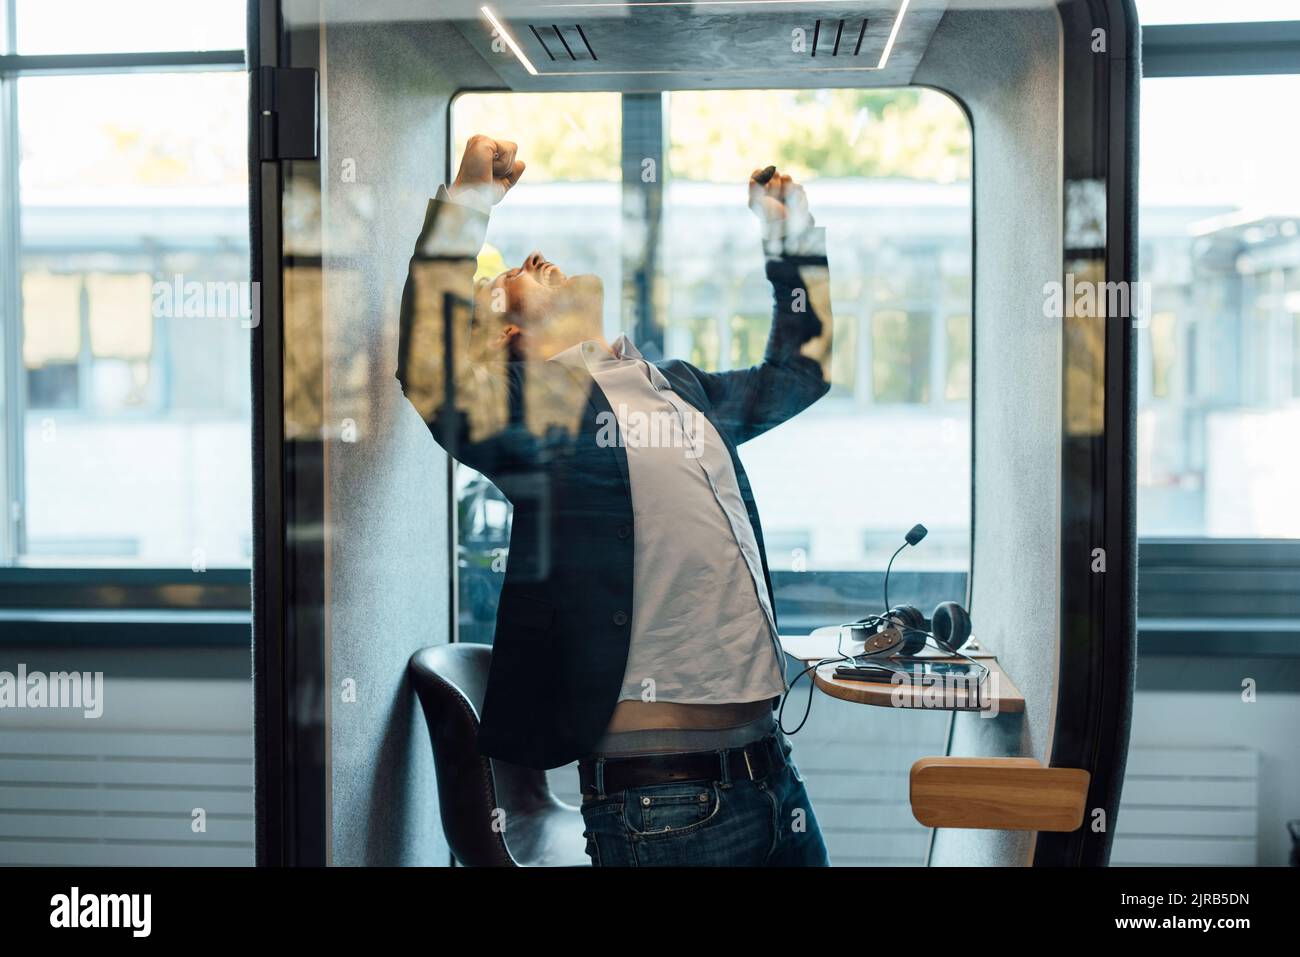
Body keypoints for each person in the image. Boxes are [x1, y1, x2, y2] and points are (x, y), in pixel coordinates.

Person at [397, 134, 834, 866]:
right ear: (507, 336)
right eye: (507, 278)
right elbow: (428, 370)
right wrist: (469, 200)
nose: (532, 259)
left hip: (774, 775)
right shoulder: (530, 415)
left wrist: (791, 242)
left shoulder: (675, 386)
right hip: (662, 808)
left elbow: (801, 372)